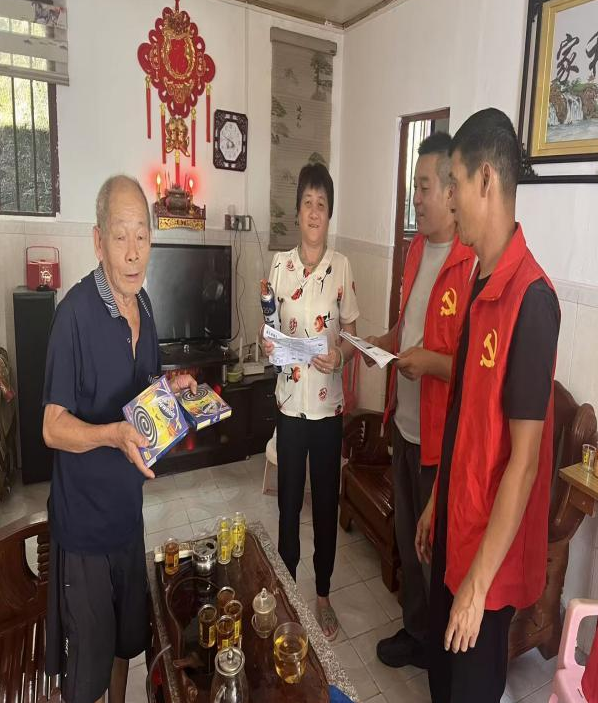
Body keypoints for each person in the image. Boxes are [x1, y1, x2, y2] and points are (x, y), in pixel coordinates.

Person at [415, 108, 560, 702]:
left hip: (487, 563)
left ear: (485, 180)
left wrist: (477, 586)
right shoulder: (479, 282)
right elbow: (462, 417)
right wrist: (436, 500)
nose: (448, 199)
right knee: (440, 681)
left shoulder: (532, 300)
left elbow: (523, 463)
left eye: (453, 183)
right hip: (456, 526)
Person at [42, 175, 197, 703]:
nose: (133, 252)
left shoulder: (144, 306)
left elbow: (143, 389)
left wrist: (173, 387)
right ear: (98, 240)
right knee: (85, 669)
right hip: (84, 529)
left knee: (123, 646)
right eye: (120, 235)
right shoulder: (73, 316)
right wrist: (110, 434)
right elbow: (52, 426)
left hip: (127, 517)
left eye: (142, 236)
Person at [365, 132, 475, 669]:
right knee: (409, 541)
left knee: (433, 551)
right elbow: (405, 329)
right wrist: (379, 344)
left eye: (424, 186)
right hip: (404, 424)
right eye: (414, 186)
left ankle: (440, 650)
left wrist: (428, 362)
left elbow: (471, 371)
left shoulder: (469, 263)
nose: (417, 197)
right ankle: (415, 632)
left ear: (452, 190)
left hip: (439, 441)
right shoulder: (414, 250)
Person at [261, 163, 359, 641]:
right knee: (287, 507)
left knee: (323, 505)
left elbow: (353, 335)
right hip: (289, 406)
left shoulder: (341, 267)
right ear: (297, 211)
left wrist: (340, 353)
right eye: (307, 203)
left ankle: (321, 595)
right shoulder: (280, 266)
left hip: (327, 410)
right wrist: (269, 345)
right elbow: (269, 330)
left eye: (322, 204)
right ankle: (286, 592)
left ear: (329, 212)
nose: (314, 212)